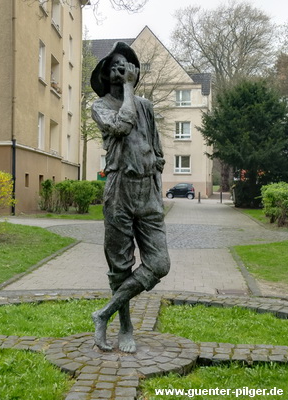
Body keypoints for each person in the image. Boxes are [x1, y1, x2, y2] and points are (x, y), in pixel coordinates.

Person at [90, 42, 170, 353]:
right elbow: (122, 126)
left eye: (124, 64)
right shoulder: (100, 107)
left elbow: (157, 150)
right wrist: (129, 92)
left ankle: (104, 313)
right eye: (113, 66)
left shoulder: (147, 107)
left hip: (146, 190)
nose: (119, 69)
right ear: (106, 74)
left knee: (160, 264)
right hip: (119, 189)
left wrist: (156, 183)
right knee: (120, 266)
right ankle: (125, 327)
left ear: (133, 70)